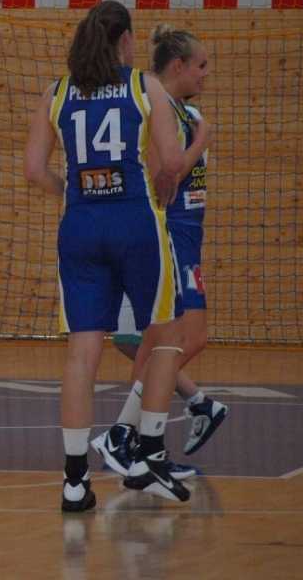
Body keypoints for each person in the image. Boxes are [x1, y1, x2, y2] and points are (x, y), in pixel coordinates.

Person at [23, 0, 191, 512]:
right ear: (125, 40)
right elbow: (172, 161)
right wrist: (186, 153)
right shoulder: (144, 85)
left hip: (79, 225)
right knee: (166, 336)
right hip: (134, 221)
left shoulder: (56, 92)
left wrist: (74, 192)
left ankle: (75, 480)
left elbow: (33, 170)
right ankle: (151, 453)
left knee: (82, 352)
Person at [92, 25, 227, 474]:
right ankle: (126, 436)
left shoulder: (185, 111)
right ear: (178, 66)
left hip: (188, 234)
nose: (206, 74)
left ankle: (133, 434)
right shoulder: (156, 110)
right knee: (163, 342)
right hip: (165, 233)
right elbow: (160, 180)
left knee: (171, 342)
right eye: (201, 65)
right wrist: (202, 142)